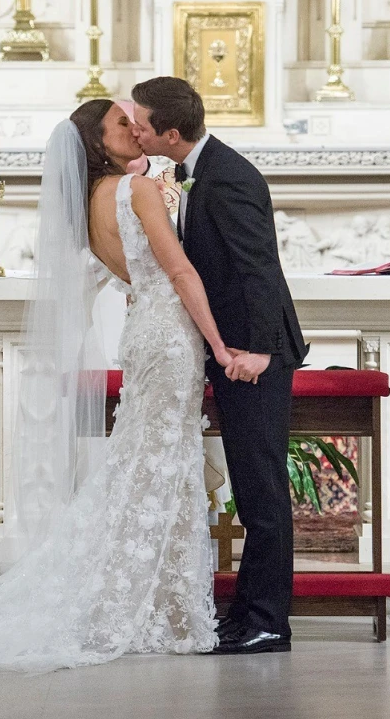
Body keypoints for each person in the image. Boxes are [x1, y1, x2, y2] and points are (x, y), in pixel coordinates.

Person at [0, 100, 237, 673]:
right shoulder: (137, 193)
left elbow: (131, 275)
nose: (135, 129)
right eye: (121, 124)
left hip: (143, 333)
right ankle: (147, 604)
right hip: (170, 338)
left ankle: (149, 597)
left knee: (146, 462)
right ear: (97, 142)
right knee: (161, 463)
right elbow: (181, 272)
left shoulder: (88, 205)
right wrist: (218, 343)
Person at [132, 77, 308, 655]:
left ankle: (267, 622)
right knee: (251, 484)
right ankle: (246, 615)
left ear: (171, 133)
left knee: (261, 490)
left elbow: (257, 268)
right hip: (232, 351)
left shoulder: (229, 177)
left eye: (142, 122)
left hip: (254, 354)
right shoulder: (192, 170)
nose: (135, 129)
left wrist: (256, 348)